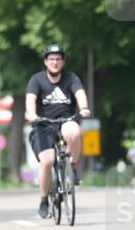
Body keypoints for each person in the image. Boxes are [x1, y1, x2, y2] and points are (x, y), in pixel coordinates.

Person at [25, 45, 92, 219]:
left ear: (63, 61)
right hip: (43, 125)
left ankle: (72, 168)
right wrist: (32, 114)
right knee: (47, 161)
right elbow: (30, 99)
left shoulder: (71, 78)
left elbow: (80, 93)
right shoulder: (37, 80)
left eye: (58, 59)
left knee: (75, 131)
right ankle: (44, 199)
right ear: (46, 62)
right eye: (51, 59)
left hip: (65, 121)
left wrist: (84, 107)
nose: (55, 62)